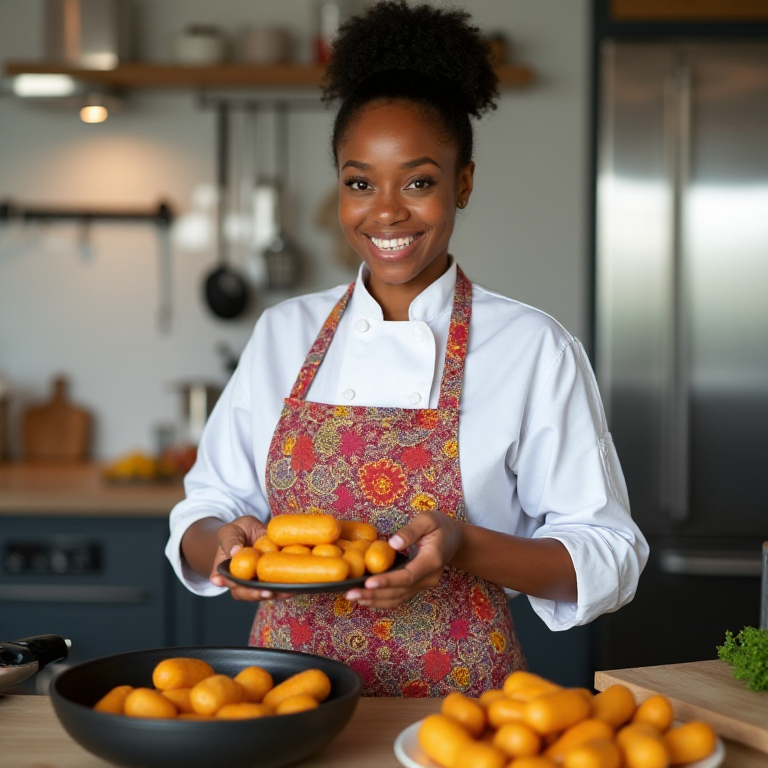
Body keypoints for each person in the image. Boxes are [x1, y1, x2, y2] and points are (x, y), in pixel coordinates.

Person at [166, 0, 648, 698]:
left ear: (463, 183)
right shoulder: (283, 332)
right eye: (359, 182)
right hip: (287, 706)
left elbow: (610, 555)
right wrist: (224, 547)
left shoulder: (532, 347)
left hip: (464, 722)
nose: (385, 211)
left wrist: (463, 544)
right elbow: (202, 509)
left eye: (418, 182)